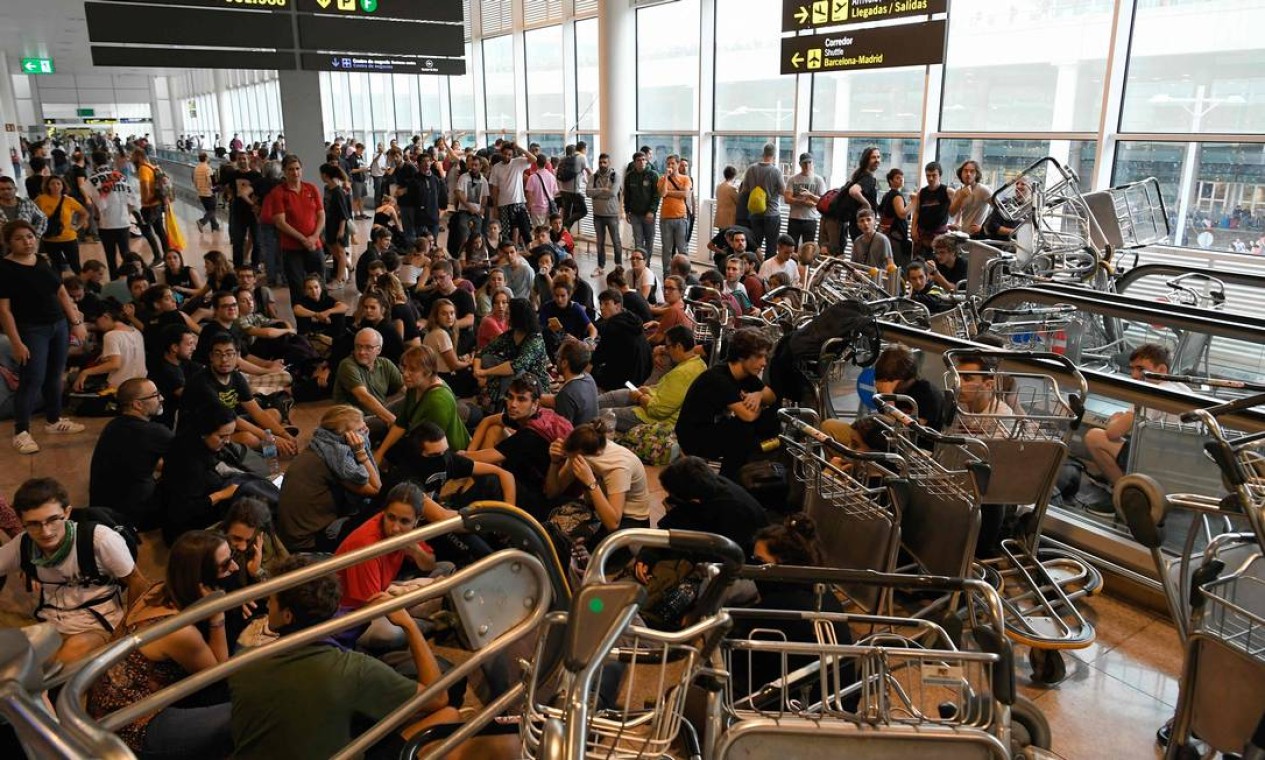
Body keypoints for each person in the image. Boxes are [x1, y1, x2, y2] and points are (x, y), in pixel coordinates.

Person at [228, 555, 460, 760]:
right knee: (448, 713)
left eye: (272, 599)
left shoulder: (244, 662)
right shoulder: (353, 669)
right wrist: (409, 625)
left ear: (288, 615)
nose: (267, 603)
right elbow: (438, 697)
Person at [86, 530, 235, 759]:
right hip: (133, 729)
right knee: (243, 712)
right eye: (225, 565)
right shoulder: (178, 630)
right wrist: (217, 616)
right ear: (201, 577)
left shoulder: (156, 589)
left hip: (104, 709)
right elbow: (219, 674)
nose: (234, 567)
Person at [0, 477, 149, 664]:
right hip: (51, 625)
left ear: (67, 512)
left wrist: (125, 630)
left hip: (98, 625)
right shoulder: (23, 545)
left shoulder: (99, 539)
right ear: (21, 521)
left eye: (53, 520)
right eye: (34, 524)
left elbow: (137, 581)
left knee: (68, 656)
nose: (46, 532)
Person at [0, 220, 88, 455]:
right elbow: (4, 310)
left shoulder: (41, 260)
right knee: (32, 379)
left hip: (58, 325)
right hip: (31, 329)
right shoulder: (5, 269)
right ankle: (21, 431)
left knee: (55, 374)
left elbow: (60, 291)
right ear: (8, 243)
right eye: (19, 238)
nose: (27, 242)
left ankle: (54, 419)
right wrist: (17, 342)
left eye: (29, 236)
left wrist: (75, 323)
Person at [335, 482, 441, 650]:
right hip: (354, 613)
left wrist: (416, 551)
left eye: (404, 521)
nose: (395, 528)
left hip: (383, 592)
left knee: (445, 569)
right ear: (383, 513)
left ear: (417, 521)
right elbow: (372, 606)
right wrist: (410, 596)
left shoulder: (408, 532)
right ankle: (430, 623)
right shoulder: (367, 545)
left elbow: (429, 564)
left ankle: (431, 610)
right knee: (392, 634)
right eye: (391, 518)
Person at [675, 328, 778, 479]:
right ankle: (728, 481)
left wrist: (758, 395)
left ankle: (746, 474)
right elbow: (748, 415)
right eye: (759, 356)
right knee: (744, 429)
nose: (764, 363)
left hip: (715, 427)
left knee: (771, 419)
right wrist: (761, 404)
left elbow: (772, 396)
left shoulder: (745, 374)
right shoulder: (719, 378)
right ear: (742, 356)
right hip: (694, 436)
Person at [466, 374, 573, 519]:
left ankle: (498, 516)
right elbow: (488, 420)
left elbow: (481, 458)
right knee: (494, 430)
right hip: (534, 473)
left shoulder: (531, 435)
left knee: (490, 477)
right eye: (510, 397)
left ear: (535, 403)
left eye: (521, 399)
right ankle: (470, 488)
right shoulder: (534, 414)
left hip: (541, 499)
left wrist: (457, 455)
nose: (513, 404)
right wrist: (469, 451)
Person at [277, 405, 382, 552]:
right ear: (343, 436)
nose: (364, 434)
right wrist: (361, 452)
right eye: (359, 431)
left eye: (364, 427)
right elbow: (375, 488)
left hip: (299, 533)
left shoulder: (322, 445)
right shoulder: (335, 459)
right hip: (308, 542)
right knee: (380, 512)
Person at [1083, 344, 1187, 488]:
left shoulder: (1152, 392)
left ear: (1162, 370)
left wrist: (1114, 420)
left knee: (1094, 437)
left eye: (1141, 369)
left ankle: (1124, 491)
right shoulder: (1180, 387)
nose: (1134, 375)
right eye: (1132, 369)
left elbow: (1113, 433)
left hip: (1160, 462)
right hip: (1182, 461)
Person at [88, 378, 172, 529]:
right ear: (138, 404)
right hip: (137, 518)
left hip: (103, 514)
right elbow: (191, 457)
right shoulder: (154, 432)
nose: (162, 398)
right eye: (155, 395)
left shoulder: (113, 425)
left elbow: (139, 461)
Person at [547, 419, 652, 535]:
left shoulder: (618, 466)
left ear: (594, 455)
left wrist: (591, 482)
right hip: (600, 510)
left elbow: (613, 524)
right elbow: (552, 493)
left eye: (573, 458)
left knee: (584, 545)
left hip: (630, 519)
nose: (572, 461)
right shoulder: (580, 453)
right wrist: (554, 462)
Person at [375, 344, 470, 469]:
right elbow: (402, 422)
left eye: (412, 370)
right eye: (404, 367)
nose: (405, 374)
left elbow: (434, 444)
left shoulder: (438, 401)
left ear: (428, 371)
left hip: (448, 452)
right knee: (386, 449)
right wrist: (380, 453)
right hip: (420, 438)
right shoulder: (414, 386)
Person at [599, 326, 706, 432]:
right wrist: (648, 390)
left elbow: (658, 410)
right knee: (611, 397)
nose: (667, 351)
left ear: (678, 346)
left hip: (653, 418)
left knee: (602, 414)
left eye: (668, 347)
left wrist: (640, 397)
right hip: (651, 399)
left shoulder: (683, 373)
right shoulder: (699, 363)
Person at [657, 456, 767, 553]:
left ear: (694, 500)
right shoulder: (706, 483)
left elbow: (725, 554)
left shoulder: (734, 512)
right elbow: (677, 517)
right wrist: (651, 551)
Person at [267, 155, 325, 306]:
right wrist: (303, 239)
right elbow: (280, 222)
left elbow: (321, 214)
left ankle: (323, 317)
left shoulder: (311, 188)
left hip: (314, 245)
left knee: (319, 284)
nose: (295, 173)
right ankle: (304, 323)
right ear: (284, 171)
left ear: (302, 170)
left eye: (298, 169)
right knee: (298, 286)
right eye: (291, 170)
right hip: (292, 248)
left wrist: (314, 236)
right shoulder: (278, 193)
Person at [475, 297, 551, 410]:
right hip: (511, 375)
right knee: (487, 358)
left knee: (514, 372)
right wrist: (477, 370)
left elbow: (515, 366)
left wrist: (485, 372)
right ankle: (498, 396)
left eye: (509, 312)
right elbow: (484, 351)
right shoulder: (511, 334)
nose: (505, 313)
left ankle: (502, 403)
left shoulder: (535, 339)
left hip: (534, 382)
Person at [333, 327, 405, 439]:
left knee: (409, 403)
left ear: (379, 350)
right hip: (354, 421)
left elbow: (405, 388)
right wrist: (392, 420)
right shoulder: (347, 365)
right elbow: (363, 397)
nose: (362, 352)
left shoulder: (385, 364)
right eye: (358, 346)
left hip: (375, 415)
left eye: (368, 347)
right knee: (390, 425)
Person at [870, 343, 945, 431]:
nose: (888, 386)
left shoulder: (928, 394)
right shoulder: (886, 388)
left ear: (909, 379)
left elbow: (905, 432)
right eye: (883, 382)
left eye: (893, 383)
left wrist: (889, 398)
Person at [591, 288, 653, 392]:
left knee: (591, 370)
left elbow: (597, 358)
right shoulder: (632, 319)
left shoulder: (612, 327)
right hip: (643, 375)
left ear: (618, 306)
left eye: (606, 304)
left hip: (626, 383)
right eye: (600, 304)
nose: (601, 308)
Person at [423, 298, 477, 398]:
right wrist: (470, 361)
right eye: (444, 314)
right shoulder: (441, 334)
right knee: (475, 372)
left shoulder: (431, 331)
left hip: (435, 376)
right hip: (443, 379)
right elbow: (454, 365)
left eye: (452, 313)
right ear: (436, 316)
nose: (449, 317)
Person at [739, 144, 787, 256]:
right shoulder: (776, 171)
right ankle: (768, 271)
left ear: (763, 154)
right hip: (772, 213)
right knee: (771, 244)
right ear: (774, 155)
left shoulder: (751, 169)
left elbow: (745, 189)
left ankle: (753, 268)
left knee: (755, 245)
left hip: (755, 213)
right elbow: (783, 192)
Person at [34, 175, 89, 273]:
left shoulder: (69, 200)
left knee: (75, 265)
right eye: (52, 183)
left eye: (58, 183)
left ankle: (83, 287)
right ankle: (59, 287)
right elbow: (32, 215)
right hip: (50, 239)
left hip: (69, 238)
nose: (56, 186)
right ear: (48, 186)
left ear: (63, 186)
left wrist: (77, 226)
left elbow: (84, 213)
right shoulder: (40, 199)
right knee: (56, 267)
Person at [149, 325, 198, 429]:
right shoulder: (164, 371)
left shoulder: (182, 363)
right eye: (189, 344)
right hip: (169, 426)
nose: (194, 348)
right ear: (174, 347)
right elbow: (192, 396)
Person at [544, 340, 599, 426]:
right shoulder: (588, 378)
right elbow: (558, 400)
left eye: (558, 356)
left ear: (565, 363)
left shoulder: (567, 394)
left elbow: (560, 430)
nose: (556, 359)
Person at [539, 275, 597, 356]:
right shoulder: (547, 307)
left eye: (563, 296)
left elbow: (592, 329)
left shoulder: (576, 308)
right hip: (552, 347)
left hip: (572, 347)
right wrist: (547, 328)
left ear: (569, 295)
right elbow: (539, 329)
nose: (559, 299)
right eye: (556, 295)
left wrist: (587, 343)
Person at [489, 142, 533, 245]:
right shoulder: (496, 167)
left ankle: (530, 251)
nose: (507, 156)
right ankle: (508, 253)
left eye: (509, 154)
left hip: (519, 203)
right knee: (506, 233)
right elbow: (495, 188)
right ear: (501, 153)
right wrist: (495, 207)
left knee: (525, 230)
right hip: (503, 204)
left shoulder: (517, 163)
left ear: (512, 155)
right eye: (505, 154)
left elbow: (533, 159)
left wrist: (519, 147)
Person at [587, 152, 622, 276]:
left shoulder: (615, 176)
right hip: (598, 215)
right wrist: (602, 190)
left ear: (609, 163)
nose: (602, 165)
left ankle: (618, 266)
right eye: (600, 162)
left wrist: (596, 193)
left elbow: (612, 193)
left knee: (616, 241)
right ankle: (600, 267)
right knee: (599, 242)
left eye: (604, 162)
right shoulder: (593, 177)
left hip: (612, 214)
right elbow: (588, 193)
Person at [657, 154, 691, 274]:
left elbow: (685, 194)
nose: (670, 166)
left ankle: (684, 272)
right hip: (666, 218)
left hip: (681, 217)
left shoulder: (685, 179)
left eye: (672, 163)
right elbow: (662, 193)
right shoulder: (662, 179)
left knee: (682, 248)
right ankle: (667, 273)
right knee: (667, 249)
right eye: (668, 163)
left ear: (677, 164)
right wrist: (666, 177)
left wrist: (670, 193)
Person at [910, 161, 951, 261]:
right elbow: (917, 211)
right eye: (928, 176)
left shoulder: (947, 191)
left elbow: (958, 209)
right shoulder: (922, 192)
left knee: (936, 264)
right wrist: (913, 229)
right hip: (922, 234)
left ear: (939, 175)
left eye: (934, 175)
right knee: (918, 263)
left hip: (939, 235)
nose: (931, 178)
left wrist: (958, 222)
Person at [320, 163, 353, 288]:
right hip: (329, 224)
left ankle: (339, 280)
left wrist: (341, 230)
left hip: (338, 226)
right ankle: (350, 267)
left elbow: (343, 213)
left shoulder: (338, 192)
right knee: (331, 248)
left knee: (340, 252)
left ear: (325, 175)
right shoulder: (327, 189)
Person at [785, 153, 825, 248]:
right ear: (800, 164)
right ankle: (793, 263)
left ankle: (806, 263)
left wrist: (810, 195)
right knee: (791, 246)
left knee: (808, 248)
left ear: (813, 163)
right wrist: (801, 202)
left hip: (810, 219)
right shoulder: (793, 179)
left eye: (809, 162)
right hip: (795, 218)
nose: (807, 165)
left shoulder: (818, 180)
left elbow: (823, 201)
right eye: (804, 163)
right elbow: (787, 199)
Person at [623, 152, 660, 256]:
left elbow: (656, 195)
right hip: (635, 214)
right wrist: (627, 211)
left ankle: (646, 266)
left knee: (649, 241)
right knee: (638, 242)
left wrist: (652, 211)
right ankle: (639, 265)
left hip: (649, 215)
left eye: (644, 160)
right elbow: (627, 195)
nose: (642, 162)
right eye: (639, 160)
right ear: (634, 162)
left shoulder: (653, 175)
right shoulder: (630, 176)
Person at [293, 273, 349, 340]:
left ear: (321, 288)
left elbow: (345, 307)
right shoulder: (303, 301)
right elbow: (296, 309)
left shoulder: (326, 299)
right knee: (302, 316)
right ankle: (306, 341)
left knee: (339, 312)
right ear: (305, 291)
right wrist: (317, 315)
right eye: (310, 288)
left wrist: (328, 311)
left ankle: (339, 339)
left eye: (316, 287)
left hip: (328, 330)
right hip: (310, 332)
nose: (314, 291)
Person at [950, 160, 991, 238]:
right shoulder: (959, 191)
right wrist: (961, 197)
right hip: (964, 234)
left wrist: (984, 227)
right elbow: (952, 213)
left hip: (978, 235)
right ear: (961, 173)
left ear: (976, 174)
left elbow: (999, 210)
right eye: (965, 171)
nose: (968, 174)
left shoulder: (983, 190)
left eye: (972, 171)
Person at [878, 167, 911, 266]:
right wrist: (913, 202)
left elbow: (880, 210)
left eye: (902, 177)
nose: (901, 180)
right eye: (897, 178)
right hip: (896, 235)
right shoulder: (897, 196)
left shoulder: (886, 195)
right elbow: (901, 214)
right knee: (897, 264)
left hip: (887, 234)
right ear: (891, 181)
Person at [193, 151, 220, 233]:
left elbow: (194, 180)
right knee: (212, 210)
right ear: (205, 158)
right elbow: (210, 181)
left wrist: (198, 188)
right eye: (208, 157)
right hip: (208, 192)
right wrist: (215, 188)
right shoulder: (207, 168)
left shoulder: (196, 168)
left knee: (209, 211)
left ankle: (215, 227)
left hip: (201, 192)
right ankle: (201, 222)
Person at [714, 165, 739, 232]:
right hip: (729, 219)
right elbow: (738, 201)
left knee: (721, 238)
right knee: (729, 240)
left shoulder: (719, 186)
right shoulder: (732, 188)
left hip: (720, 217)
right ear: (734, 176)